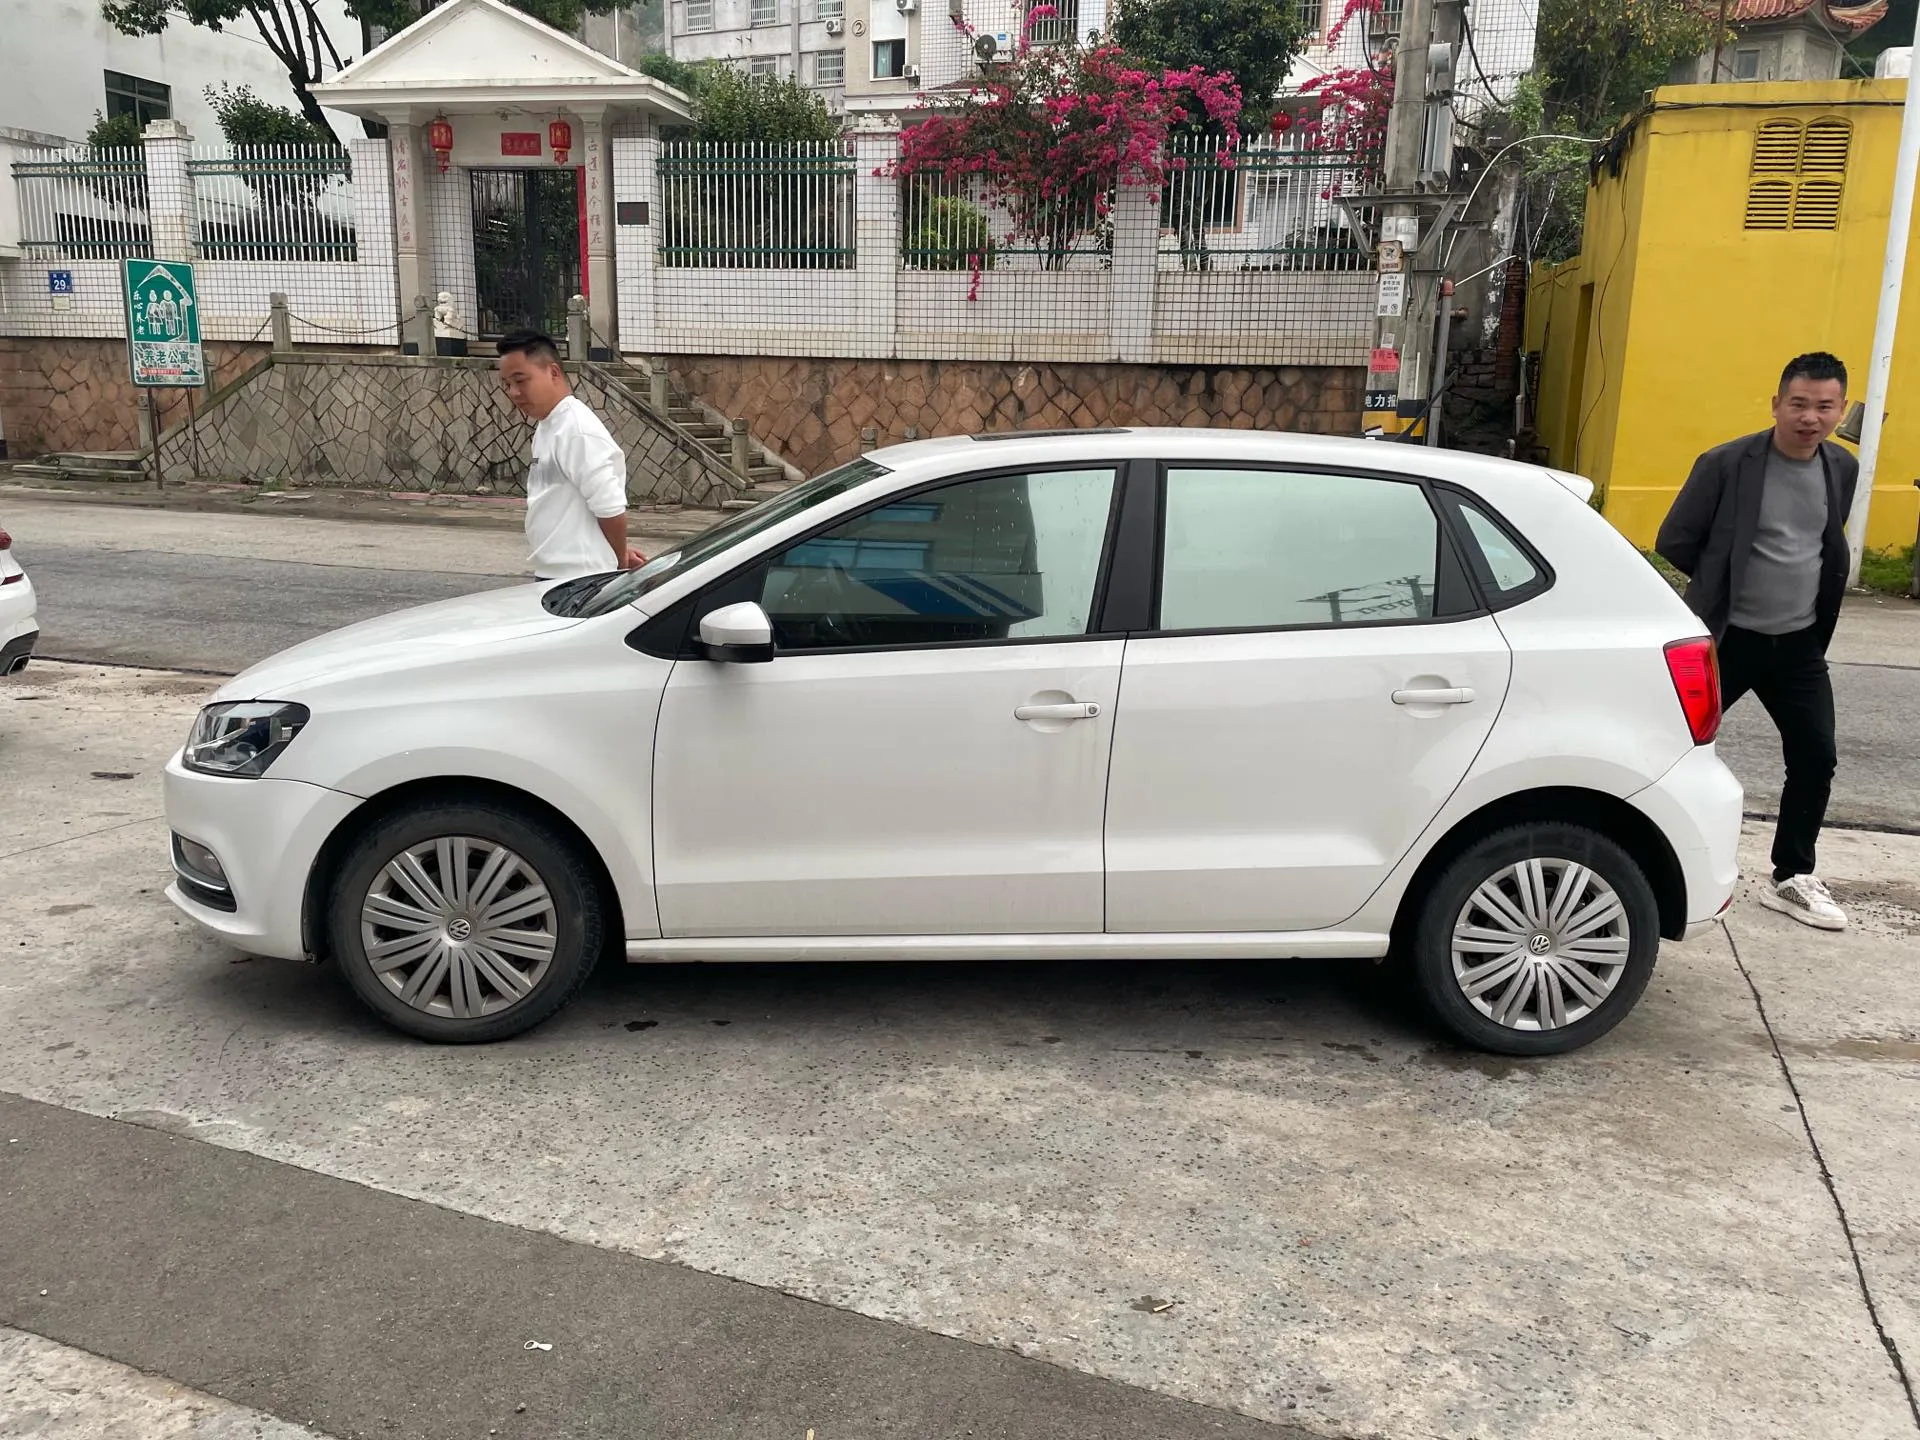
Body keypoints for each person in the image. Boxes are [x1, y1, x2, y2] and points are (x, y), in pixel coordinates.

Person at [1656, 352, 1859, 931]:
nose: (1810, 417)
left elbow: (1821, 544)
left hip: (1798, 645)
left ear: (1840, 410)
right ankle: (1649, 858)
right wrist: (1722, 581)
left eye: (1824, 406)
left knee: (1815, 755)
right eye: (1799, 404)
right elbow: (1675, 539)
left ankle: (1792, 876)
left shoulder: (1840, 468)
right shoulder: (1726, 464)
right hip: (1728, 639)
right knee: (1668, 746)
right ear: (1776, 404)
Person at [495, 329, 644, 580]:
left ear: (553, 372)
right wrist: (614, 553)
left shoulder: (576, 429)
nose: (514, 392)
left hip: (579, 579)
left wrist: (617, 561)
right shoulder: (547, 425)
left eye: (521, 380)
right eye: (508, 384)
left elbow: (610, 508)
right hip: (557, 573)